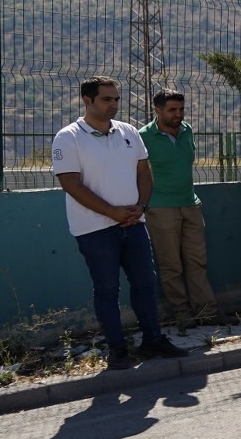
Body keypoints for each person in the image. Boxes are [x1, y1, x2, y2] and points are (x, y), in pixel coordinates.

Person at [52, 76, 188, 369]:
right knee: (107, 289)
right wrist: (113, 213)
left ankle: (152, 340)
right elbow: (71, 184)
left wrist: (140, 207)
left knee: (144, 283)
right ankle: (117, 350)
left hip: (134, 224)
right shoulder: (69, 137)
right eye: (106, 99)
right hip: (95, 229)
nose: (113, 104)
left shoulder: (128, 131)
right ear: (87, 100)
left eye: (116, 98)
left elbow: (144, 172)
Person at [139, 89, 221, 325]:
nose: (178, 114)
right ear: (157, 110)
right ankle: (181, 312)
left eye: (181, 109)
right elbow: (139, 173)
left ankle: (207, 311)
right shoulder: (143, 136)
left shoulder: (187, 130)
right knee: (171, 264)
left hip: (190, 204)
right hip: (161, 207)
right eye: (172, 110)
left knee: (197, 261)